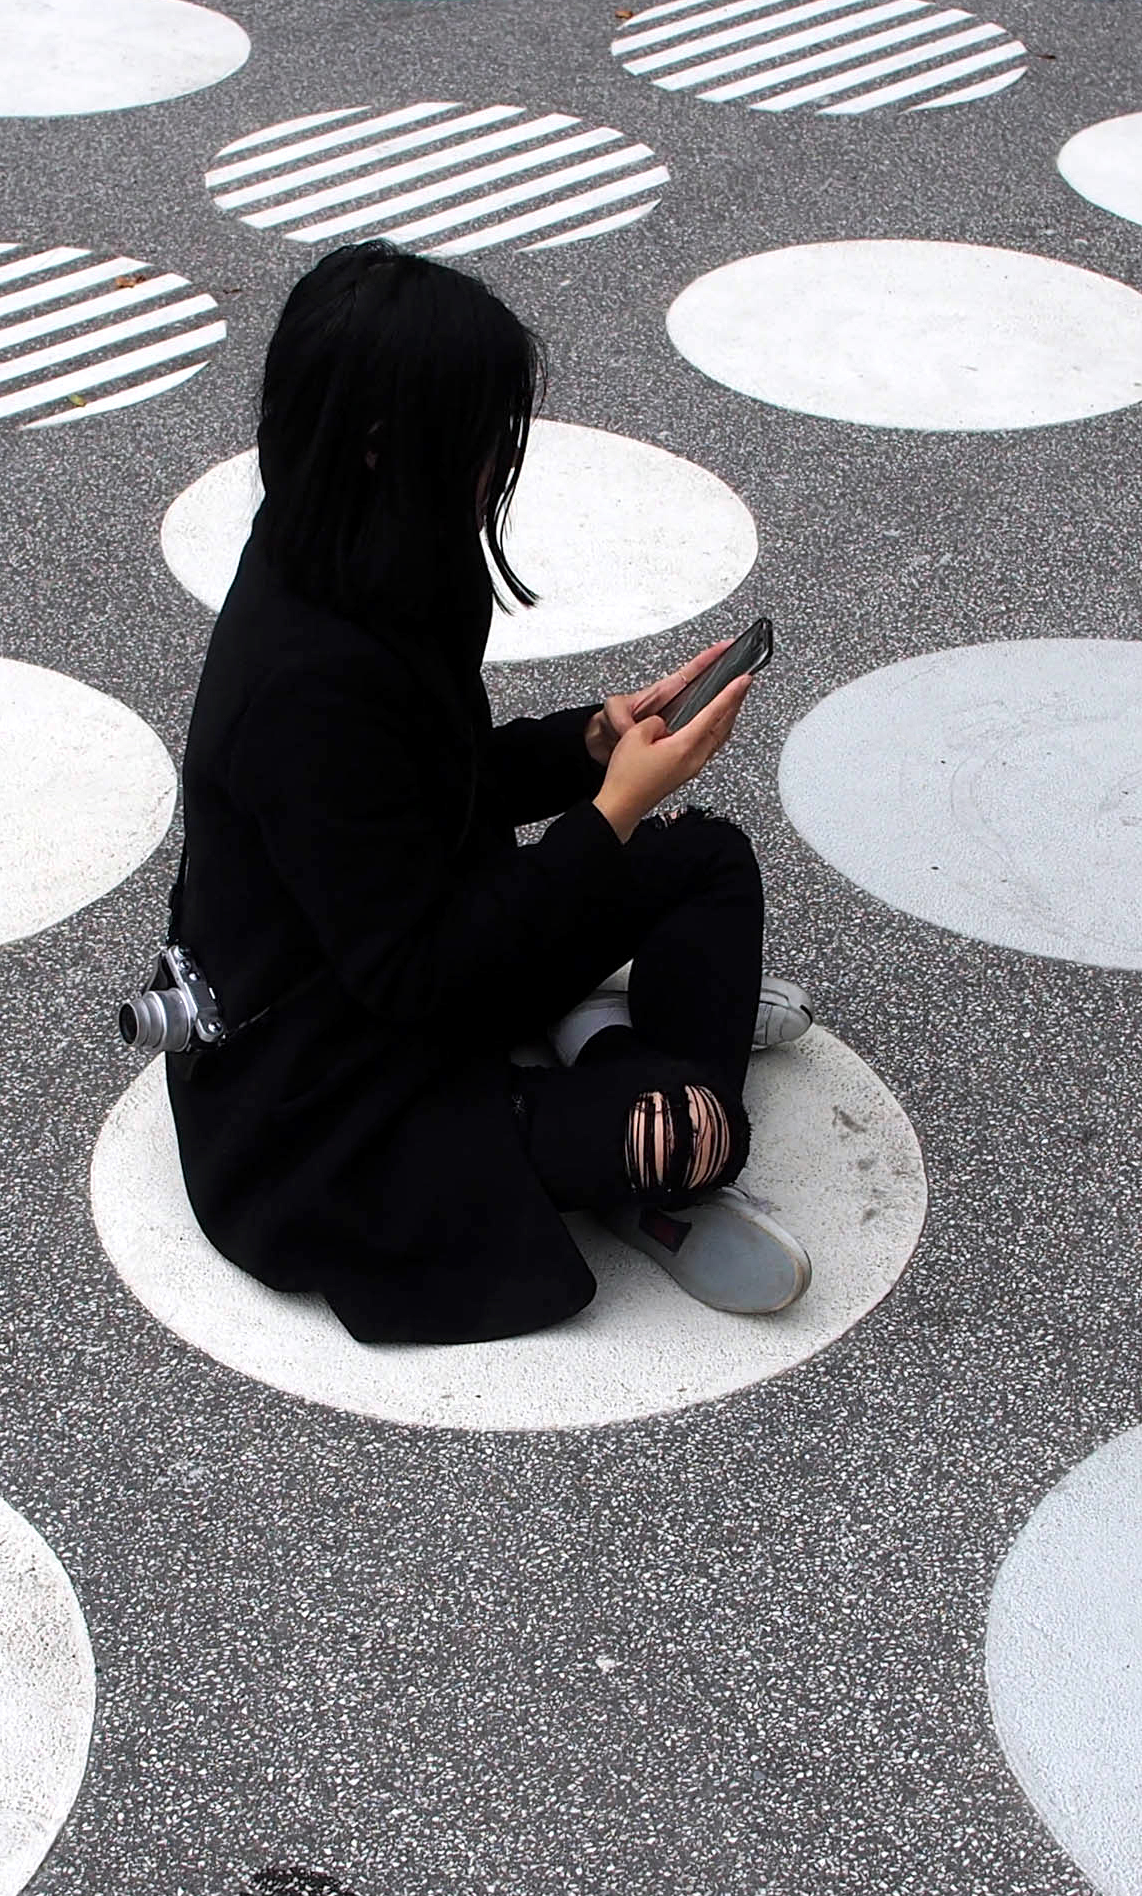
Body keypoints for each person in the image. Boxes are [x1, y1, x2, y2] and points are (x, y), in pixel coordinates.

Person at [162, 241, 811, 1347]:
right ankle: (635, 1118)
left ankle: (600, 1056)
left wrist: (590, 744)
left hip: (430, 952)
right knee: (687, 1132)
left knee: (708, 857)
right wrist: (605, 816)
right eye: (477, 435)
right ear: (379, 446)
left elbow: (432, 794)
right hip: (328, 1093)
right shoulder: (303, 682)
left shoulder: (375, 554)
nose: (495, 462)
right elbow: (413, 976)